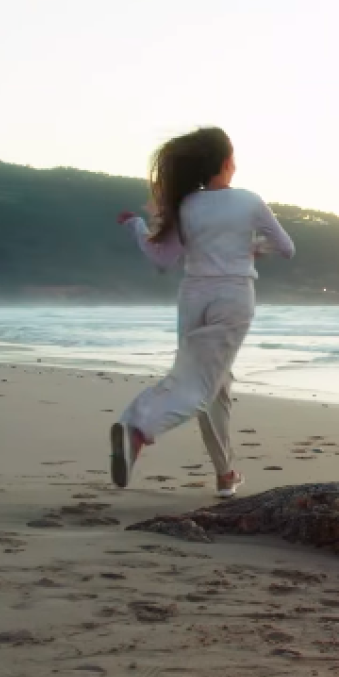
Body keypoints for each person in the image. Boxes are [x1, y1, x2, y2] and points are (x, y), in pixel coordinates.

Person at [111, 126, 295, 498]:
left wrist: (137, 227)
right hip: (232, 296)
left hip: (193, 296)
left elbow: (161, 259)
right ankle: (138, 428)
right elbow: (287, 248)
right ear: (227, 163)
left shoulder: (186, 205)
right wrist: (253, 246)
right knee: (198, 385)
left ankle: (225, 475)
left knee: (214, 385)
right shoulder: (249, 201)